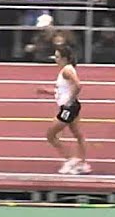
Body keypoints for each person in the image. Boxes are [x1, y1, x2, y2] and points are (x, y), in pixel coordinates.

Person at [36, 44, 91, 175]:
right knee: (78, 135)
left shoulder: (67, 70)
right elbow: (62, 91)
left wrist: (69, 100)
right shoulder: (66, 70)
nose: (55, 60)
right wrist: (47, 91)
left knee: (51, 135)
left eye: (57, 57)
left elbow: (78, 85)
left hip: (69, 108)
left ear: (65, 58)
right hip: (73, 106)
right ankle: (82, 164)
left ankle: (70, 160)